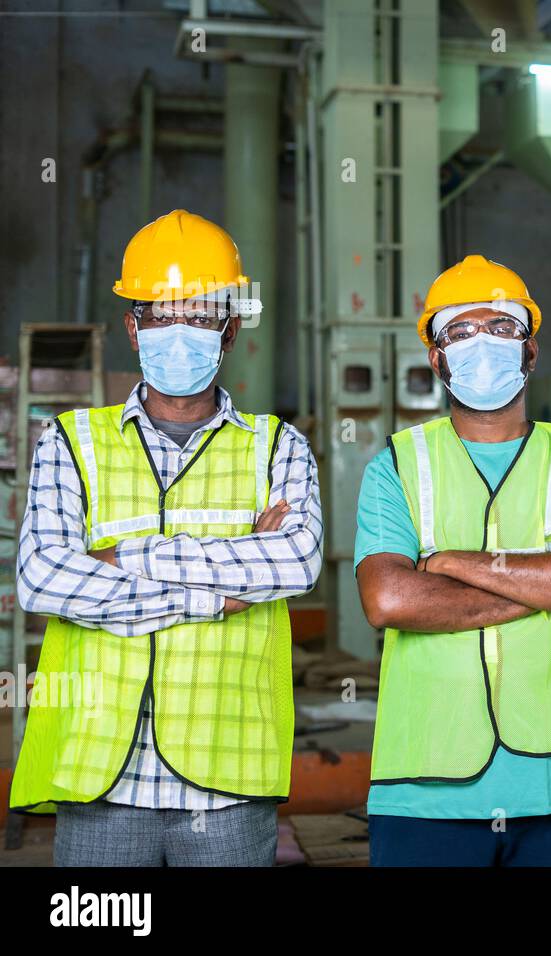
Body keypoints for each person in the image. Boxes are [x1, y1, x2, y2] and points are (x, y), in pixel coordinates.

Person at [11, 209, 322, 866]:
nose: (178, 331)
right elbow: (43, 578)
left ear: (230, 329)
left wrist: (126, 556)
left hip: (228, 781)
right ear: (132, 325)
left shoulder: (277, 447)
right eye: (158, 312)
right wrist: (220, 589)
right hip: (102, 777)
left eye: (201, 314)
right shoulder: (71, 441)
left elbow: (295, 562)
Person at [355, 254, 551, 867]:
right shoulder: (396, 466)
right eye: (459, 331)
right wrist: (543, 585)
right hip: (423, 786)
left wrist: (451, 561)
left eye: (502, 329)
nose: (482, 344)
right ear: (436, 358)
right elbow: (388, 600)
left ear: (531, 351)